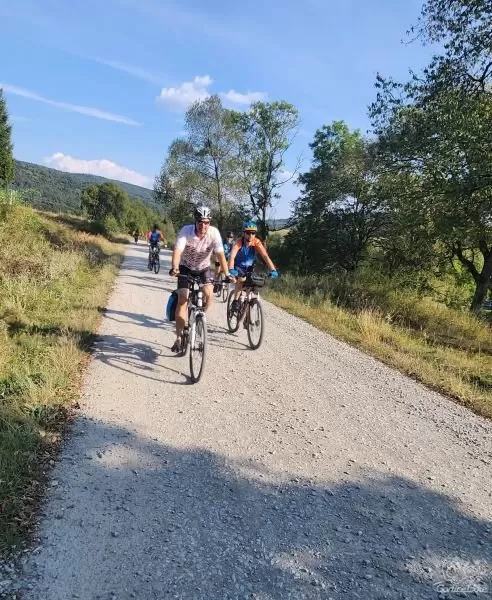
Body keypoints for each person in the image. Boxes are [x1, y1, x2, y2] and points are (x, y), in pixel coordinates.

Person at [169, 206, 234, 353]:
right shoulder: (186, 231)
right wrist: (175, 267)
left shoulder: (214, 233)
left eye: (206, 222)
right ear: (195, 221)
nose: (203, 225)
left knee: (209, 294)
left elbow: (221, 256)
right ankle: (179, 338)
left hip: (203, 269)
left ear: (209, 222)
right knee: (182, 299)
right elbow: (178, 250)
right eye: (200, 222)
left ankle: (199, 317)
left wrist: (228, 274)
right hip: (185, 268)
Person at [228, 221, 279, 314]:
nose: (251, 235)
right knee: (241, 280)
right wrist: (231, 269)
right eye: (248, 233)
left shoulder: (256, 242)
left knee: (255, 283)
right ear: (244, 233)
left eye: (253, 233)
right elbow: (232, 256)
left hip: (250, 267)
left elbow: (265, 256)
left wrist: (273, 270)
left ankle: (247, 306)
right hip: (238, 266)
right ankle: (235, 301)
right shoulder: (239, 242)